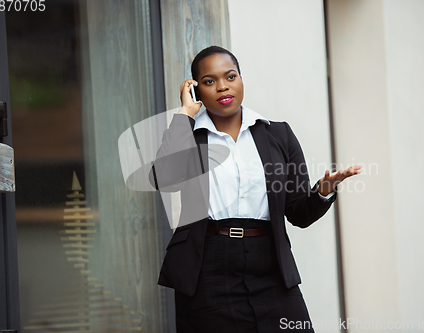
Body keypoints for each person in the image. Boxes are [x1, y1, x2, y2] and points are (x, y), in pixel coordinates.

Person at [150, 46, 361, 333]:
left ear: (240, 79)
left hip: (270, 263)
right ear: (196, 89)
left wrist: (323, 191)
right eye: (209, 81)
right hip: (207, 268)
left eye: (230, 76)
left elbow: (298, 213)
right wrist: (186, 113)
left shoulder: (278, 134)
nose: (223, 86)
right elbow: (163, 178)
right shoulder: (190, 136)